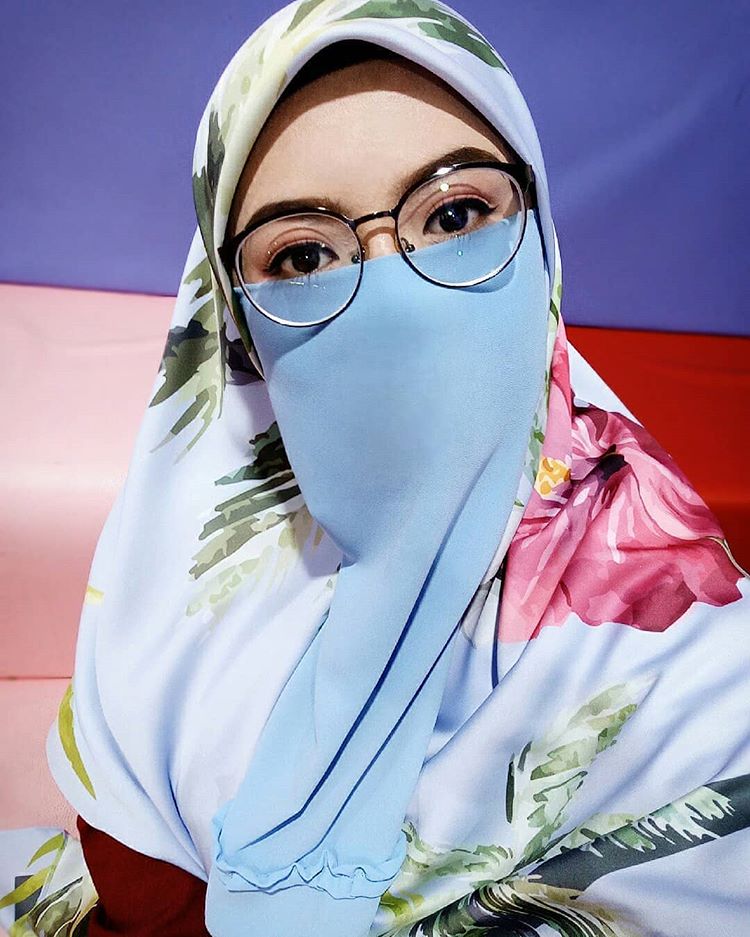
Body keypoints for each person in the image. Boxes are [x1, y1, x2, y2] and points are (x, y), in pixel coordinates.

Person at [1, 1, 748, 935]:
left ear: (542, 239)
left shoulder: (696, 680)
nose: (397, 296)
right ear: (235, 323)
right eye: (303, 254)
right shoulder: (174, 596)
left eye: (458, 214)